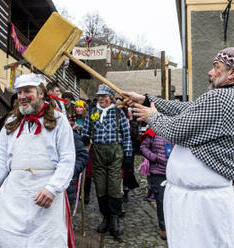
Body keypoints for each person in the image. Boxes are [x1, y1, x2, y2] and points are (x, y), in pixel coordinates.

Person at [123, 47, 234, 247]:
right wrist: (147, 99)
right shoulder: (223, 98)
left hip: (201, 204)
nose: (210, 72)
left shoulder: (219, 98)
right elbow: (188, 108)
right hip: (202, 199)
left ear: (232, 73)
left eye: (216, 67)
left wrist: (152, 116)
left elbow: (176, 130)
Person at [0, 73, 76, 247]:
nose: (22, 96)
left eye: (28, 91)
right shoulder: (11, 122)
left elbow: (67, 159)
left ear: (41, 93)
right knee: (8, 239)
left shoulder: (59, 121)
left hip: (45, 197)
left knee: (46, 241)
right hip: (14, 196)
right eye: (19, 92)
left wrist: (52, 188)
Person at [81, 84, 133, 238]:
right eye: (99, 96)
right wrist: (84, 138)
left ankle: (115, 219)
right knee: (101, 187)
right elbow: (86, 130)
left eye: (104, 96)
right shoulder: (93, 112)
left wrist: (128, 155)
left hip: (115, 153)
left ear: (110, 98)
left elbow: (126, 135)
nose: (101, 98)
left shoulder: (118, 113)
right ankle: (106, 217)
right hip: (97, 153)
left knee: (115, 187)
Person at [140, 129, 172, 240]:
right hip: (158, 173)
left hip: (175, 173)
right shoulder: (153, 131)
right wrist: (154, 158)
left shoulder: (177, 128)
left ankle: (176, 226)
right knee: (161, 200)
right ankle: (164, 228)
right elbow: (143, 147)